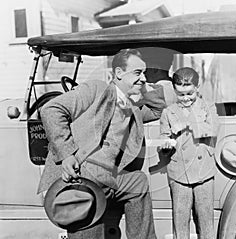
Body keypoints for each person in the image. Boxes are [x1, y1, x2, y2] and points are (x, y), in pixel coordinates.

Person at [37, 49, 166, 239]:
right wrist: (67, 155)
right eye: (138, 72)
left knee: (138, 181)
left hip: (111, 177)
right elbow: (51, 110)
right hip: (85, 173)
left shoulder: (132, 106)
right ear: (119, 74)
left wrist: (141, 84)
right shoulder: (96, 89)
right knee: (88, 228)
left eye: (144, 73)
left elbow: (158, 109)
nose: (144, 78)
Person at [159, 67, 219, 239]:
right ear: (174, 91)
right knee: (180, 221)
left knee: (206, 222)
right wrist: (165, 145)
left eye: (189, 94)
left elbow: (213, 129)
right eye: (180, 95)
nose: (185, 99)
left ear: (197, 88)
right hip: (179, 173)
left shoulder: (208, 107)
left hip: (204, 172)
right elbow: (163, 136)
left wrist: (187, 125)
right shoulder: (168, 112)